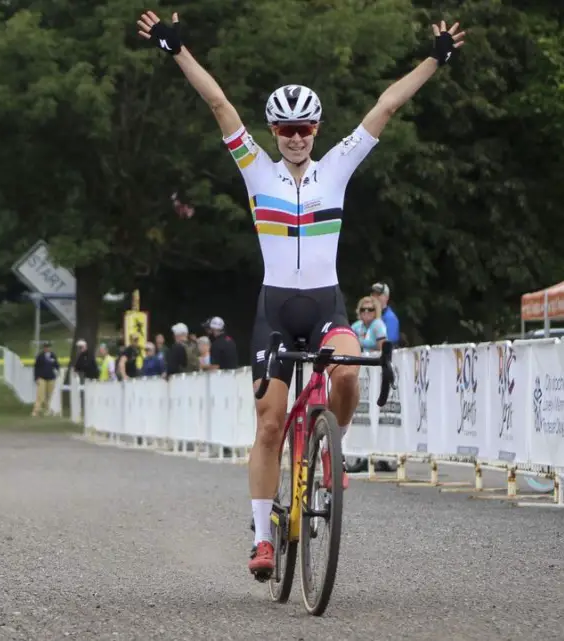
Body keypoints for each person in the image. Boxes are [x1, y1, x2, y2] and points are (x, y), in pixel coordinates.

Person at [135, 9, 465, 580]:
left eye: (304, 129)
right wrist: (176, 50)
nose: (294, 138)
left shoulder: (335, 168)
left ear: (316, 130)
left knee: (347, 377)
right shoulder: (256, 170)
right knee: (268, 424)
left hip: (325, 305)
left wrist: (435, 58)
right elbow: (219, 105)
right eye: (285, 130)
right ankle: (262, 539)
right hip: (275, 311)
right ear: (273, 133)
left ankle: (327, 450)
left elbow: (386, 106)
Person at [32, 341, 60, 416]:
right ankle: (36, 410)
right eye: (46, 347)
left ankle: (48, 410)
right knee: (40, 395)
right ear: (44, 348)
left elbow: (57, 365)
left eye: (48, 347)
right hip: (42, 378)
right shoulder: (40, 356)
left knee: (50, 395)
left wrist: (58, 372)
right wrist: (36, 378)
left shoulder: (53, 356)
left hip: (51, 378)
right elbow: (36, 368)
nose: (47, 348)